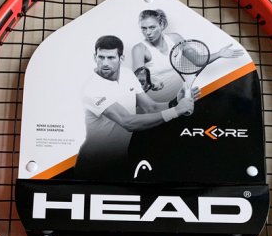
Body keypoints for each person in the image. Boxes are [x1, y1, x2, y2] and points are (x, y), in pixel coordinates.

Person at [75, 35, 196, 180]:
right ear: (95, 57)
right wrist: (175, 111)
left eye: (111, 58)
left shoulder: (127, 75)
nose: (105, 63)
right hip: (93, 164)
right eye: (101, 57)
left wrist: (175, 102)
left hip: (121, 160)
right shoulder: (92, 88)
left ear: (121, 58)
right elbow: (127, 122)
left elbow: (150, 107)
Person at [132, 9, 244, 102]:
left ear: (161, 25)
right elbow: (139, 80)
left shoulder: (175, 39)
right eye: (144, 28)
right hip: (155, 102)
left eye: (152, 27)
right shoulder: (139, 49)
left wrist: (219, 54)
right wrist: (152, 83)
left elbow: (198, 60)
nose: (148, 33)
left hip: (179, 97)